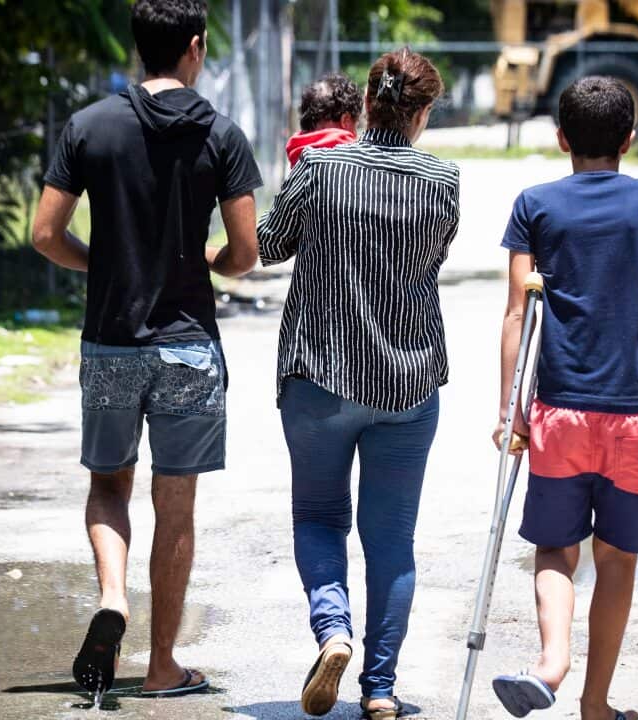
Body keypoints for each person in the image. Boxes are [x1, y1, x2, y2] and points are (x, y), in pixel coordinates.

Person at [31, 0, 262, 699]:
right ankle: (162, 665)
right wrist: (208, 261)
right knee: (177, 503)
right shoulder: (221, 134)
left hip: (110, 342)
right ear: (194, 47)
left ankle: (113, 598)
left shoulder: (89, 126)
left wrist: (104, 263)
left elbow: (44, 233)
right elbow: (246, 253)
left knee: (108, 484)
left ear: (138, 48)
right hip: (189, 345)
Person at [489, 76, 638, 720]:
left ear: (561, 140)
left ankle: (550, 664)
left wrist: (510, 412)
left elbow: (516, 314)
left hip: (558, 413)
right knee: (616, 559)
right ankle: (596, 705)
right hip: (635, 417)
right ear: (630, 140)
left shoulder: (535, 205)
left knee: (556, 548)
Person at [257, 49, 458, 720]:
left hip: (320, 375)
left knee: (318, 518)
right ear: (422, 112)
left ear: (364, 106)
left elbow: (269, 245)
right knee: (391, 539)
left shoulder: (317, 169)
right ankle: (379, 689)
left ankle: (332, 630)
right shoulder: (443, 181)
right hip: (408, 383)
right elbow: (430, 259)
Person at [286, 72, 362, 167]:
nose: (355, 134)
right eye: (355, 125)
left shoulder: (295, 156)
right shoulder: (353, 161)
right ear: (345, 120)